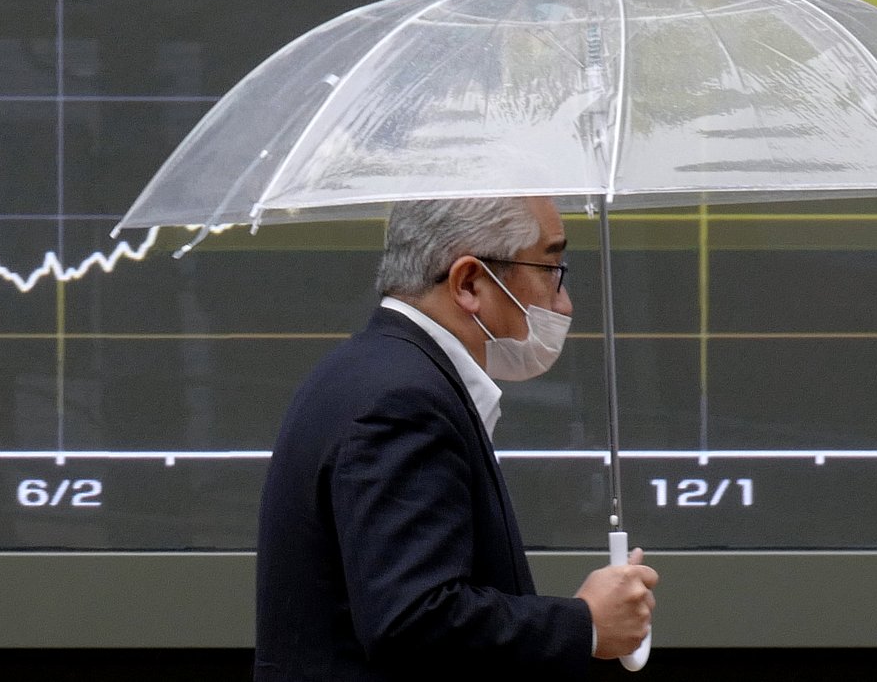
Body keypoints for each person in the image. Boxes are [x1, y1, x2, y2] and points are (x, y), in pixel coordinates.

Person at [254, 195, 657, 681]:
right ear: (468, 282)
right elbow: (413, 621)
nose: (563, 302)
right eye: (552, 267)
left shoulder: (370, 370)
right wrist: (585, 624)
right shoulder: (402, 400)